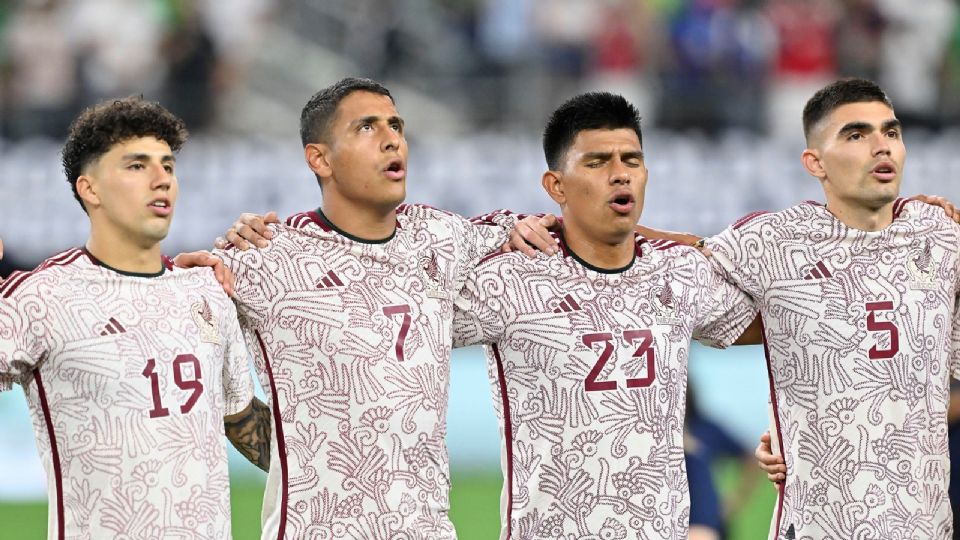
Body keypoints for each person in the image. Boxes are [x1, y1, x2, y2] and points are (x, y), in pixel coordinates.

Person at [203, 77, 555, 539]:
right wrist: (303, 459)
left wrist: (530, 227)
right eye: (367, 128)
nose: (393, 139)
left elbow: (557, 231)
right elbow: (175, 313)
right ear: (320, 158)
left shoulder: (441, 238)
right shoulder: (268, 257)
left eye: (396, 125)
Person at [448, 91, 762, 538]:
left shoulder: (678, 272)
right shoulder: (511, 279)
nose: (620, 175)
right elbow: (401, 316)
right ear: (556, 186)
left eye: (631, 160)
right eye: (597, 162)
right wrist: (492, 232)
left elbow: (779, 323)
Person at [0, 97, 265, 538]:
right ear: (90, 189)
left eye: (168, 166)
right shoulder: (43, 297)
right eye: (137, 166)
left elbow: (248, 427)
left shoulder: (205, 291)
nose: (162, 179)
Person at [710, 78, 960, 539]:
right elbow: (657, 272)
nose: (881, 147)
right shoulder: (773, 243)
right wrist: (554, 229)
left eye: (891, 131)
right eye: (856, 135)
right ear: (815, 162)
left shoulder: (941, 238)